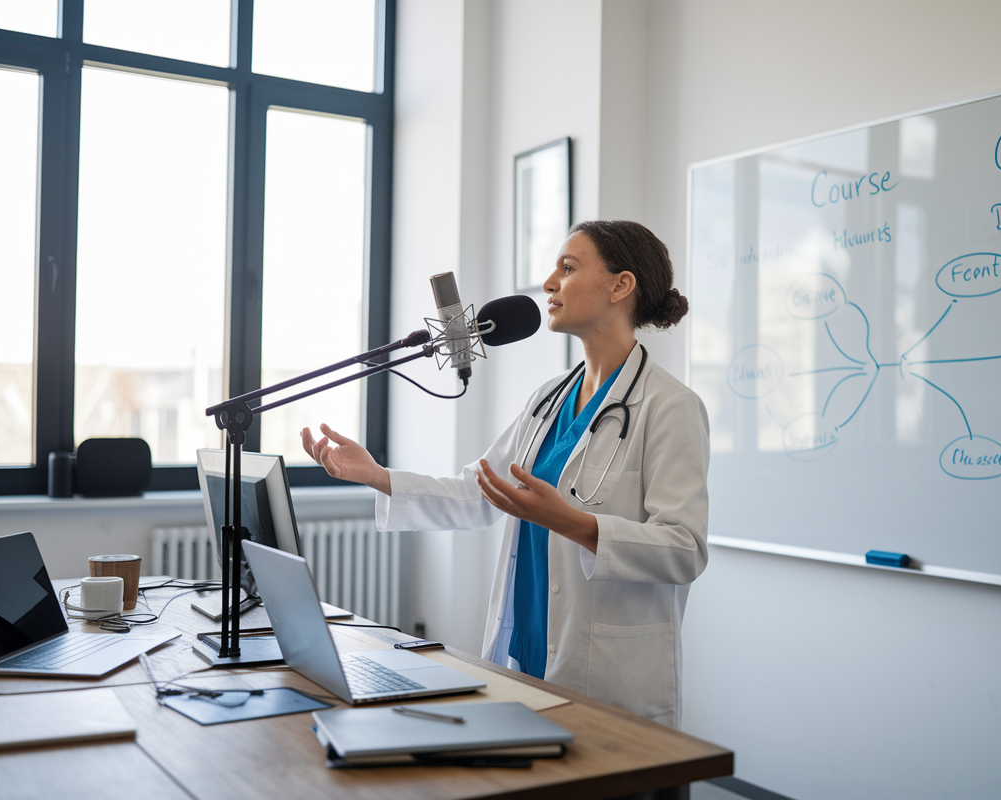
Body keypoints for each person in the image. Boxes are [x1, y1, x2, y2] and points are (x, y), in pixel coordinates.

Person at [302, 220, 710, 727]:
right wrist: (378, 476)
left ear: (620, 285)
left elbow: (684, 549)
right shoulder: (549, 397)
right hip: (528, 657)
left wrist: (573, 523)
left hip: (607, 674)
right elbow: (481, 492)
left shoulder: (670, 407)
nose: (548, 284)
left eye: (568, 267)